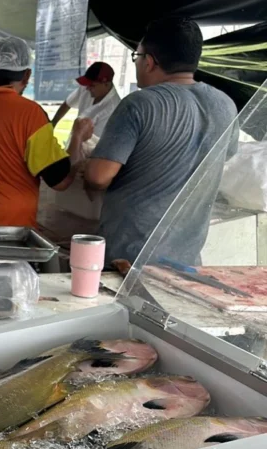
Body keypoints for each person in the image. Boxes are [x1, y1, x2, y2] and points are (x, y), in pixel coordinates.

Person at [84, 17, 239, 264]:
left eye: (137, 56)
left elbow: (98, 176)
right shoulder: (225, 105)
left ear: (150, 62)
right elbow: (225, 156)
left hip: (129, 259)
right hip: (186, 257)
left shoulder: (140, 104)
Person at [0, 36, 91, 227]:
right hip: (8, 236)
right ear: (27, 75)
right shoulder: (29, 114)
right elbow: (60, 181)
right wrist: (77, 137)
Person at [51, 61, 121, 139]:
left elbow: (93, 142)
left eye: (92, 85)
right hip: (74, 143)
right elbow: (67, 104)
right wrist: (52, 125)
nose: (87, 88)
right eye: (87, 84)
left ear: (106, 84)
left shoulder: (113, 109)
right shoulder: (86, 88)